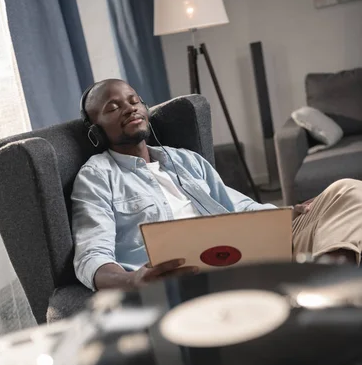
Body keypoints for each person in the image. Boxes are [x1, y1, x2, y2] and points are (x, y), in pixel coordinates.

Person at [72, 79, 362, 291]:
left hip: (244, 248)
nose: (129, 108)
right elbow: (91, 257)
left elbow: (238, 206)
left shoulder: (185, 159)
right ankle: (323, 287)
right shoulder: (96, 176)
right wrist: (132, 280)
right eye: (113, 107)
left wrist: (291, 211)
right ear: (96, 130)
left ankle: (329, 282)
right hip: (190, 272)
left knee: (346, 189)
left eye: (134, 100)